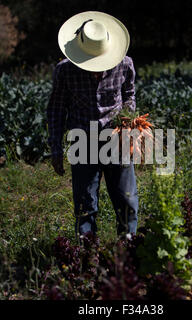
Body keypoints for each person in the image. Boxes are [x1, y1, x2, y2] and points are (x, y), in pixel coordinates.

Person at [47, 11, 138, 237]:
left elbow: (129, 94)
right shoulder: (65, 71)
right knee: (85, 204)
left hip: (116, 138)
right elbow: (57, 109)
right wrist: (56, 148)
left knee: (126, 199)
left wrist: (128, 119)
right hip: (82, 139)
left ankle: (127, 249)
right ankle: (88, 255)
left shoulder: (124, 64)